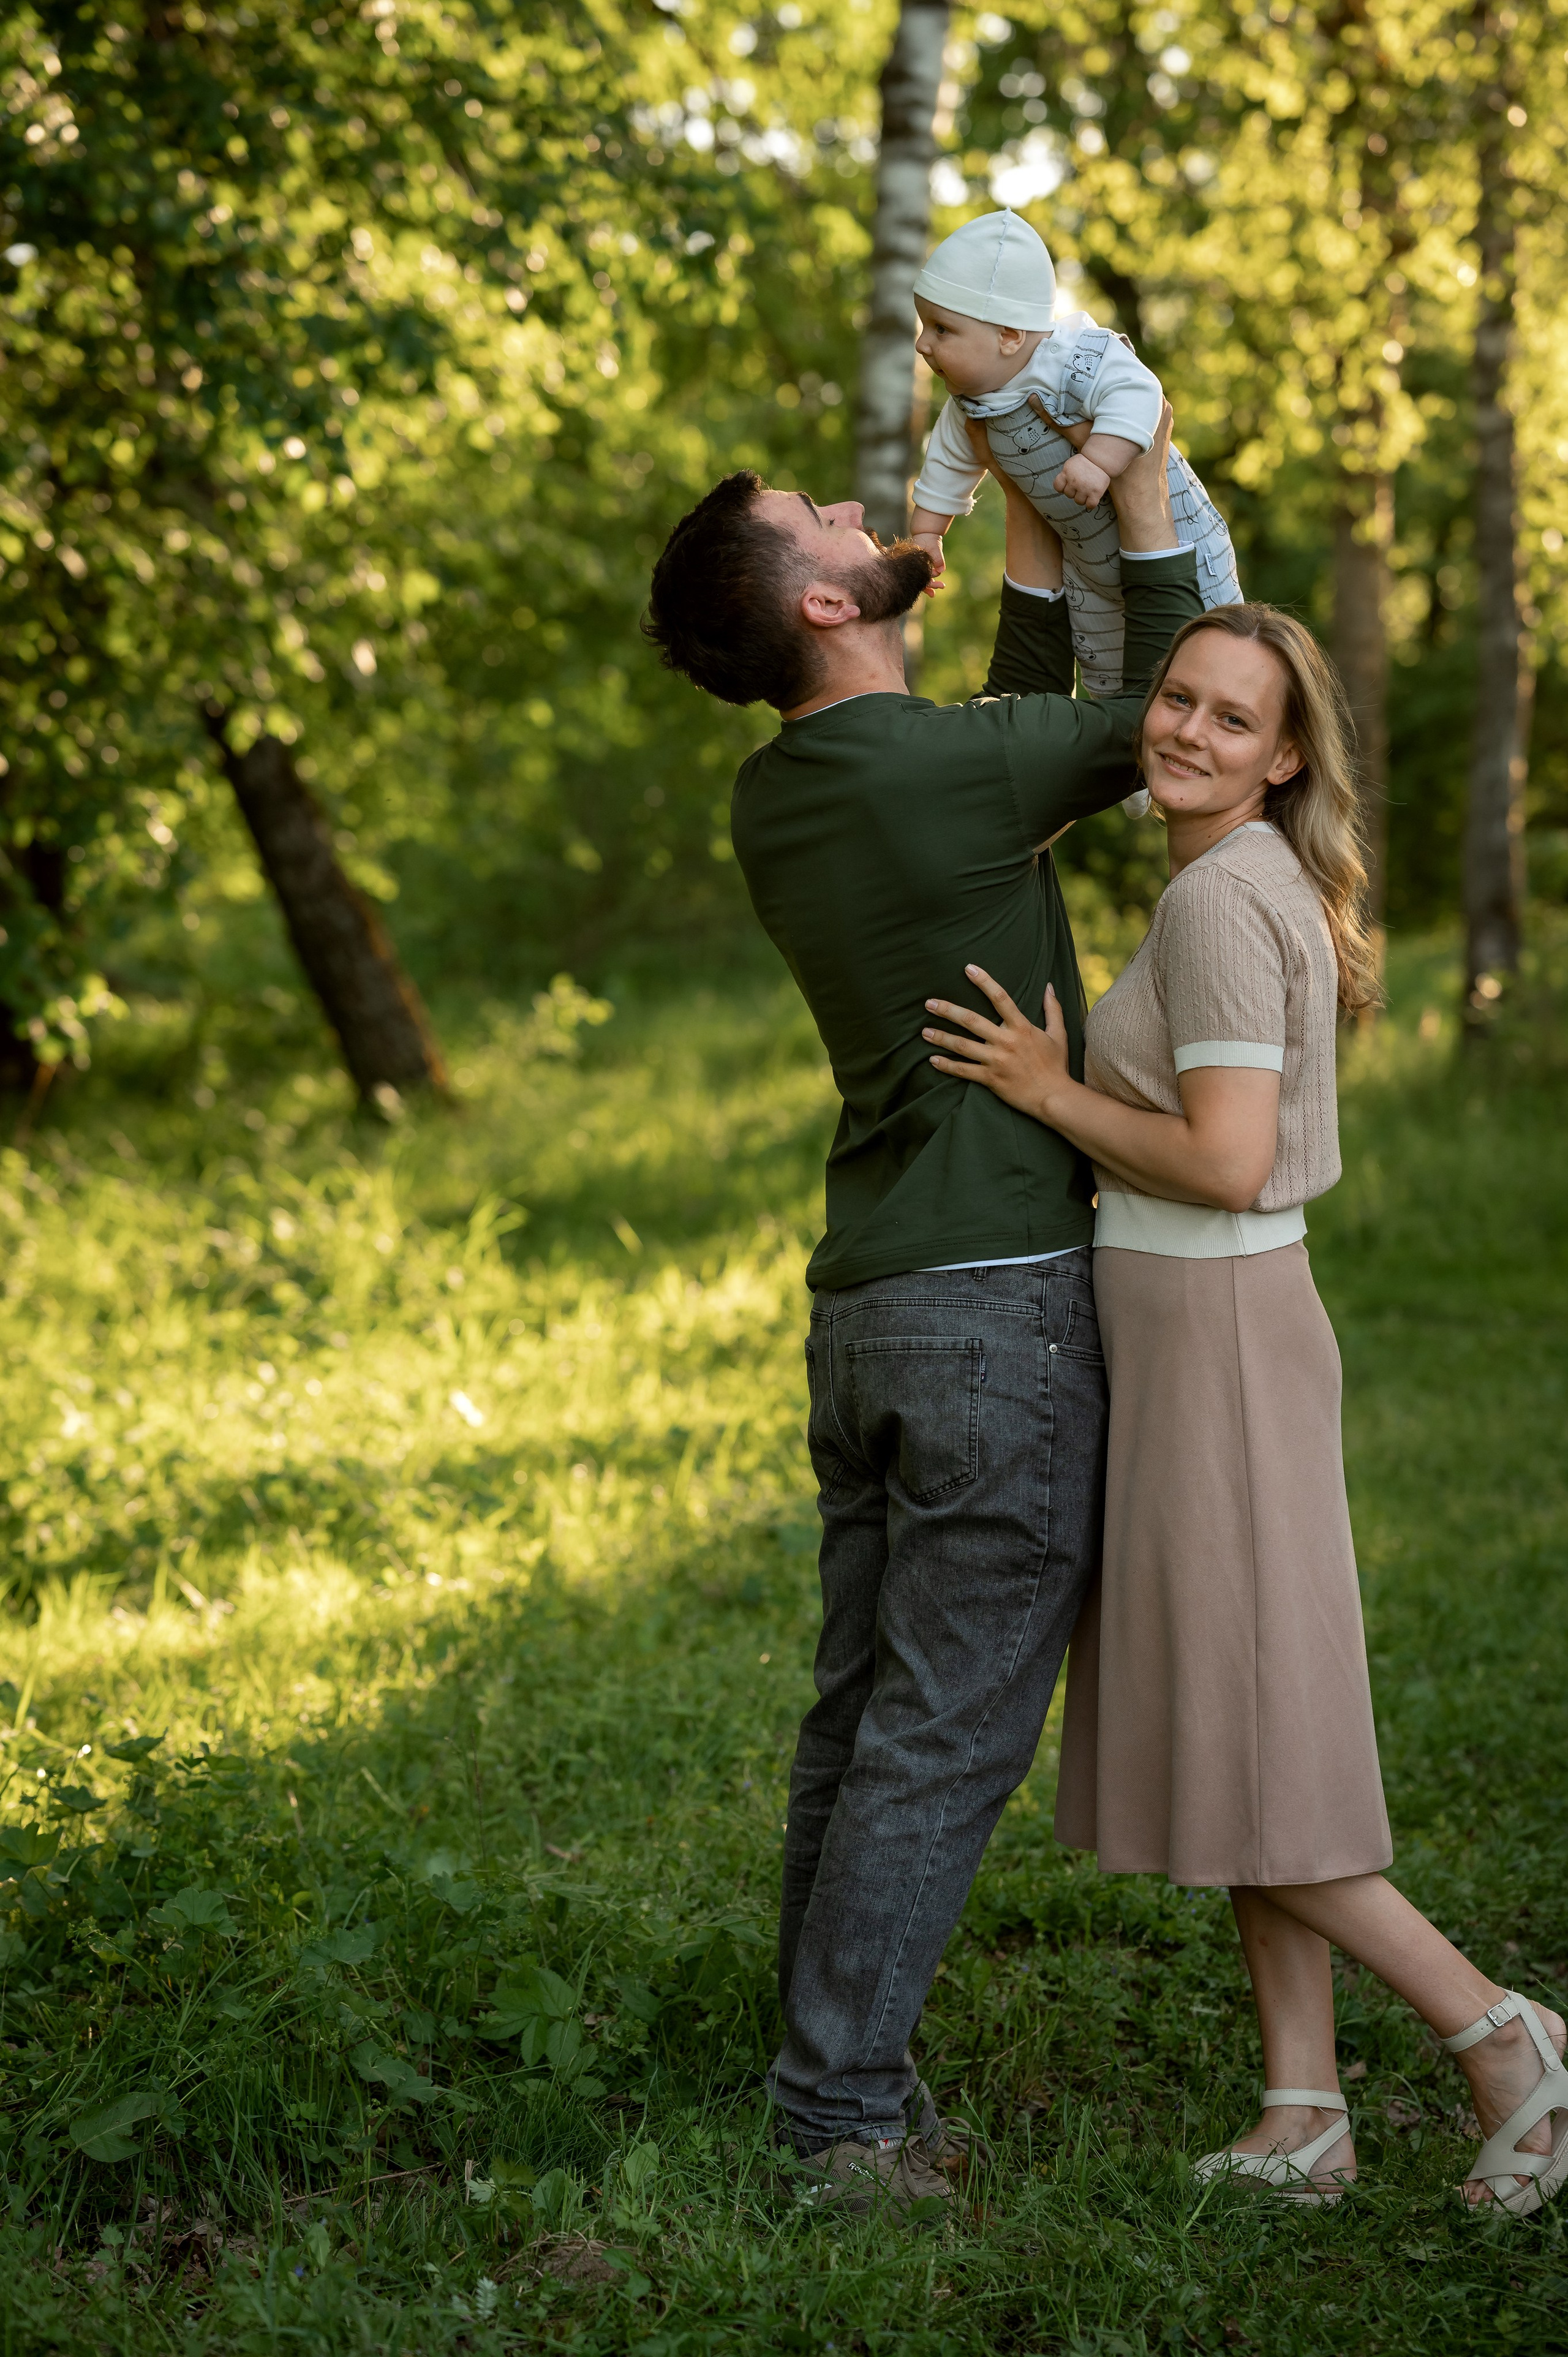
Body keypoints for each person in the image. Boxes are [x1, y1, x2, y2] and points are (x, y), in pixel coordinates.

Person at [920, 602, 1568, 2215]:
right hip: (1206, 1324)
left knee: (1252, 1742)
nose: (1187, 732)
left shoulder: (1220, 901)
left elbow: (1221, 1157)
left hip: (1215, 1329)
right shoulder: (1233, 879)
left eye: (1231, 720)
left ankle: (1505, 2038)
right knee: (1245, 1734)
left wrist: (1048, 1090)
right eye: (1179, 702)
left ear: (1284, 760)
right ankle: (1303, 2112)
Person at [642, 413, 1204, 2211]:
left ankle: (823, 2072)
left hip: (877, 1306)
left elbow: (993, 743)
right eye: (825, 516)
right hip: (993, 1321)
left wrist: (1025, 557)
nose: (854, 504)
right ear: (823, 599)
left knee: (855, 1722)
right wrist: (1130, 495)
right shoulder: (931, 780)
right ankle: (842, 2127)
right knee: (939, 1737)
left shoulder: (796, 786)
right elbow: (1162, 724)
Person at [908, 208, 1240, 714]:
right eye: (923, 325)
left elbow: (1141, 394)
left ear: (1010, 336)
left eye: (942, 329)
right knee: (1109, 677)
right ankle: (1138, 789)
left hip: (1177, 538)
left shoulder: (1075, 359)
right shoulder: (971, 402)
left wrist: (1100, 461)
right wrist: (926, 535)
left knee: (1211, 638)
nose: (923, 343)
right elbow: (946, 468)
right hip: (1087, 570)